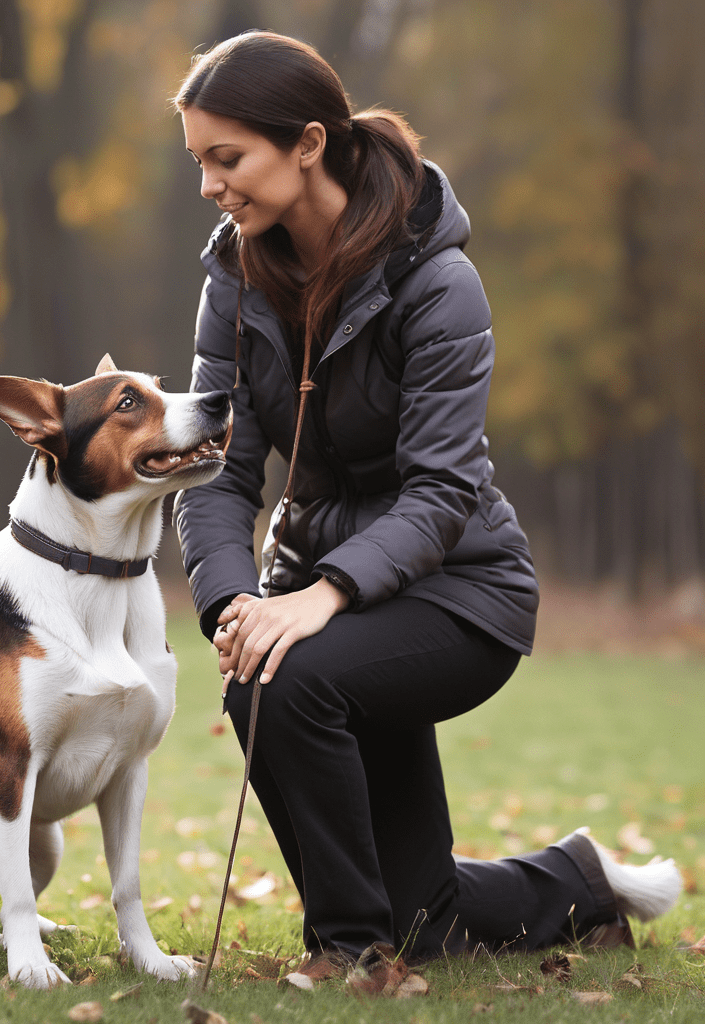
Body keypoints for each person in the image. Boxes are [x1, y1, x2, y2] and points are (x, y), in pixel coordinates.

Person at [172, 30, 681, 974]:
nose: (210, 185)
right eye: (200, 161)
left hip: (460, 594)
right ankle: (574, 883)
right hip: (329, 596)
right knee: (429, 916)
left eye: (227, 158)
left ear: (309, 145)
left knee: (285, 679)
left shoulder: (440, 285)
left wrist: (319, 595)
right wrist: (234, 600)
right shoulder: (235, 287)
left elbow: (442, 489)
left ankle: (351, 952)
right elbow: (221, 473)